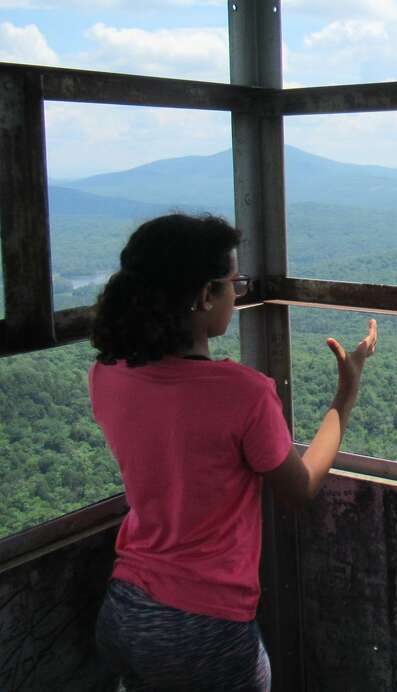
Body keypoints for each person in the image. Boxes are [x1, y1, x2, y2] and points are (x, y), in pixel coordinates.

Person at [89, 213, 377, 690]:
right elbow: (299, 489)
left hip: (125, 611)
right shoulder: (241, 392)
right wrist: (345, 395)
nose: (237, 293)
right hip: (205, 628)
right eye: (233, 283)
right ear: (204, 295)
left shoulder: (108, 375)